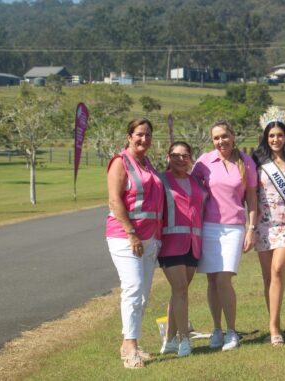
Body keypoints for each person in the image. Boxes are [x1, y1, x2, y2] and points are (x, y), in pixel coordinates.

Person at [191, 120, 258, 351]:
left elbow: (251, 198)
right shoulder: (204, 162)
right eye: (216, 138)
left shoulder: (246, 162)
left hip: (234, 228)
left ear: (233, 135)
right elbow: (192, 190)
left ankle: (231, 331)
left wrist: (251, 228)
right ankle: (216, 329)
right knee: (211, 280)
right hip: (208, 227)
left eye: (224, 136)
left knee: (224, 279)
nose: (221, 141)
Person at [106, 118, 164, 369]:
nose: (144, 139)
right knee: (132, 289)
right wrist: (131, 233)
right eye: (139, 134)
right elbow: (115, 201)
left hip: (149, 238)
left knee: (142, 295)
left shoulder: (146, 162)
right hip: (125, 236)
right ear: (129, 136)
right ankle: (130, 347)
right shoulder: (120, 162)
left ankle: (130, 343)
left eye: (148, 135)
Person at [252, 107, 285, 347]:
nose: (275, 139)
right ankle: (275, 323)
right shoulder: (257, 162)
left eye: (279, 135)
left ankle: (274, 329)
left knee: (277, 270)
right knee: (267, 278)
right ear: (265, 137)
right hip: (264, 226)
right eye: (271, 136)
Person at [158, 142, 206, 357]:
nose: (180, 160)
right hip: (170, 244)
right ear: (168, 157)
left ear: (190, 158)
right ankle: (184, 339)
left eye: (185, 156)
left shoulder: (196, 181)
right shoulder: (161, 181)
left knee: (178, 292)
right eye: (175, 156)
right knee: (181, 290)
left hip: (193, 243)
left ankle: (168, 340)